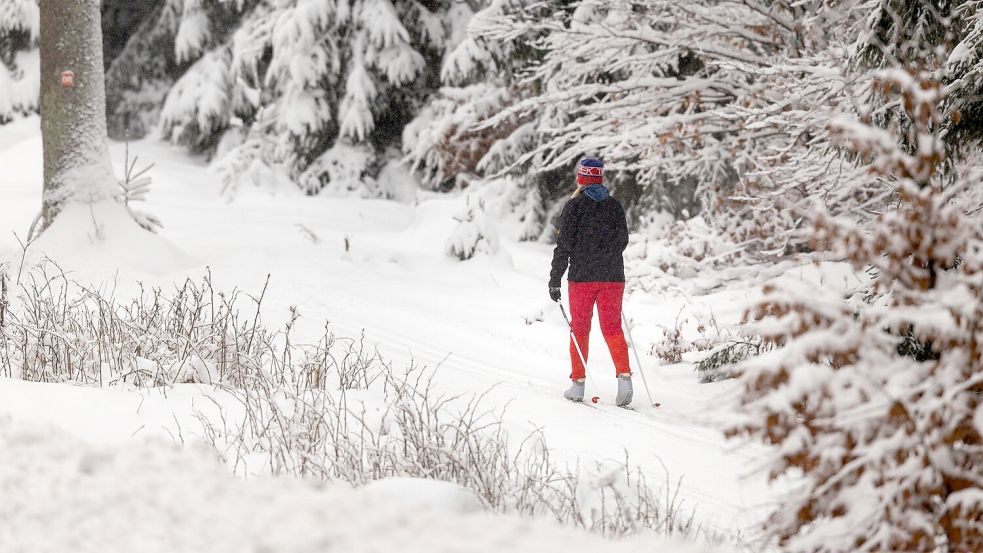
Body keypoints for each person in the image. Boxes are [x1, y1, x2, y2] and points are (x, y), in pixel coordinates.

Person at [549, 158, 632, 406]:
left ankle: (578, 385)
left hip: (582, 279)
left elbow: (563, 246)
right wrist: (605, 254)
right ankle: (625, 379)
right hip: (613, 278)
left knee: (580, 330)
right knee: (613, 329)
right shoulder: (615, 206)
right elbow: (623, 241)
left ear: (581, 178)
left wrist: (555, 278)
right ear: (600, 179)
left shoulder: (573, 207)